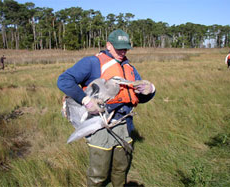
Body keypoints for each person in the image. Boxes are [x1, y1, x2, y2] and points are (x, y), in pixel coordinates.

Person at [57, 29, 156, 187]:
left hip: (126, 125)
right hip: (100, 126)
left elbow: (137, 97)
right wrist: (86, 100)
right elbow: (63, 80)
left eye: (125, 48)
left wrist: (150, 91)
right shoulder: (92, 63)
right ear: (108, 45)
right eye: (119, 48)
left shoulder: (129, 68)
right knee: (99, 175)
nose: (122, 52)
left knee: (121, 170)